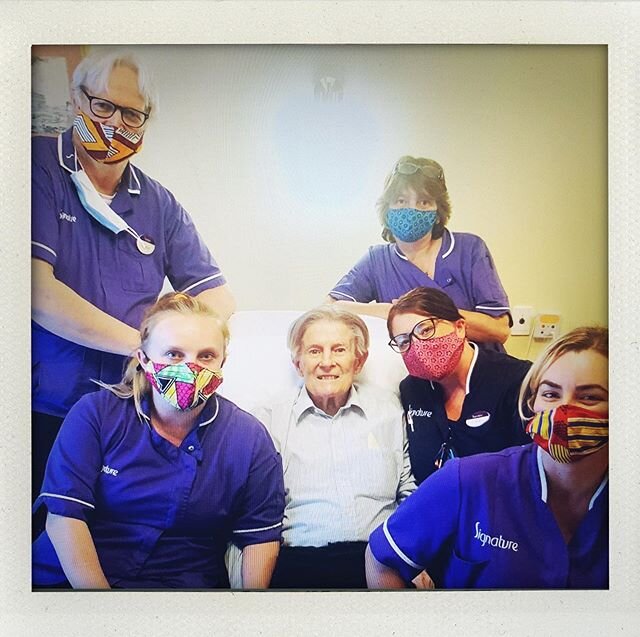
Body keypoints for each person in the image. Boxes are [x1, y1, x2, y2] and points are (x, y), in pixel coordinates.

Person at [31, 50, 235, 502]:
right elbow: (34, 291)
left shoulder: (156, 203)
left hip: (132, 407)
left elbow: (219, 298)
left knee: (118, 532)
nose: (114, 124)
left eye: (131, 114)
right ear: (76, 99)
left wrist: (185, 348)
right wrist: (147, 349)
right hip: (45, 404)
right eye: (102, 106)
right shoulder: (35, 167)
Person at [32, 292, 284, 589]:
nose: (191, 368)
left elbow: (259, 536)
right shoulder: (95, 414)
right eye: (174, 354)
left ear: (222, 363)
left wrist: (249, 615)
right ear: (144, 359)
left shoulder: (250, 439)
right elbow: (64, 515)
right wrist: (101, 609)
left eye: (206, 356)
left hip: (182, 590)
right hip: (71, 583)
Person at [366, 326, 608, 589]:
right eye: (550, 394)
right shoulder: (468, 480)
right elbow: (382, 560)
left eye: (589, 397)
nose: (563, 410)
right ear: (532, 402)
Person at [252, 306, 416, 589]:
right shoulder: (268, 420)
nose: (327, 362)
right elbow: (256, 512)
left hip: (380, 560)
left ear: (359, 360)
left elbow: (409, 492)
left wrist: (414, 557)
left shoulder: (390, 410)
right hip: (299, 561)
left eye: (339, 350)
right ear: (298, 363)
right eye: (315, 351)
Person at [328, 156, 511, 352]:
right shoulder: (377, 260)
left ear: (438, 213)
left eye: (424, 202)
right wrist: (390, 312)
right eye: (401, 200)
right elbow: (330, 308)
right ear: (387, 210)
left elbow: (499, 330)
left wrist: (424, 314)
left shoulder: (469, 249)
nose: (411, 210)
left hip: (479, 369)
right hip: (414, 375)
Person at [387, 286, 531, 485]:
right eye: (403, 341)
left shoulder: (517, 381)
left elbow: (533, 469)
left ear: (460, 327)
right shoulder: (412, 390)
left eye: (426, 329)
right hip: (436, 505)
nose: (417, 346)